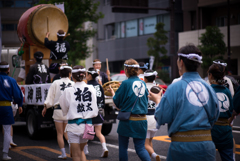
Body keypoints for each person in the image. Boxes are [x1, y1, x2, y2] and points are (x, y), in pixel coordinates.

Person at [149, 44, 219, 161]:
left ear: (181, 62)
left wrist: (158, 100)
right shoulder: (208, 87)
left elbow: (161, 117)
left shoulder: (175, 87)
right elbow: (214, 116)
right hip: (207, 146)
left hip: (182, 148)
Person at [108, 58, 150, 161]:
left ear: (126, 70)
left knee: (123, 148)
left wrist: (113, 94)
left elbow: (117, 103)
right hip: (142, 120)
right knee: (140, 148)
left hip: (128, 120)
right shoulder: (143, 83)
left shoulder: (125, 83)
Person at [59, 65, 98, 161]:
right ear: (84, 75)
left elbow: (64, 108)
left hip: (74, 126)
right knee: (81, 151)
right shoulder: (92, 88)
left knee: (76, 155)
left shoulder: (68, 90)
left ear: (72, 76)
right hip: (88, 126)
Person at [42, 65, 74, 159]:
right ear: (69, 73)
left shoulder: (56, 82)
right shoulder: (72, 83)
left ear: (60, 73)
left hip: (58, 110)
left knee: (59, 133)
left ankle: (63, 154)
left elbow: (50, 97)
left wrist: (45, 107)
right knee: (66, 133)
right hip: (69, 111)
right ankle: (72, 147)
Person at [208, 63, 234, 161]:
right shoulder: (227, 91)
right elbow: (231, 110)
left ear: (210, 75)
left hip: (211, 131)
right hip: (226, 132)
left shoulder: (208, 90)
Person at [0, 61, 23, 160]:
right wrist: (19, 104)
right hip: (6, 107)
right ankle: (5, 154)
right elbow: (18, 95)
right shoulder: (12, 80)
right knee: (7, 130)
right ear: (8, 69)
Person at [84, 67, 108, 157]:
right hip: (99, 111)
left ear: (90, 75)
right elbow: (103, 99)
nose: (85, 76)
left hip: (89, 112)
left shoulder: (87, 86)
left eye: (86, 74)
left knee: (86, 132)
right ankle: (104, 148)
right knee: (99, 133)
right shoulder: (99, 86)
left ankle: (85, 150)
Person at [143, 70, 160, 161]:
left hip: (146, 119)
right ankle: (149, 158)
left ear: (145, 78)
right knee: (149, 142)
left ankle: (154, 155)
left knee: (144, 144)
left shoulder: (143, 87)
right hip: (155, 119)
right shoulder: (157, 88)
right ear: (154, 78)